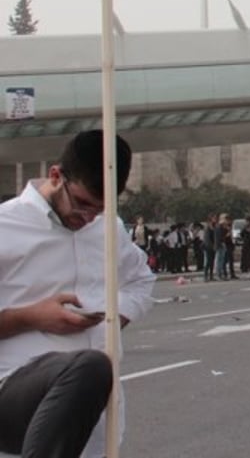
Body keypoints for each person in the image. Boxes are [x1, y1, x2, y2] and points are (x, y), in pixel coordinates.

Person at [0, 130, 155, 458]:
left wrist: (113, 318)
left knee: (92, 369)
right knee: (89, 367)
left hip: (93, 413)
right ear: (56, 176)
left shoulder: (108, 229)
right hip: (13, 395)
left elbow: (140, 281)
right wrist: (33, 317)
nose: (87, 218)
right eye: (82, 204)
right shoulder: (6, 227)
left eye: (99, 210)